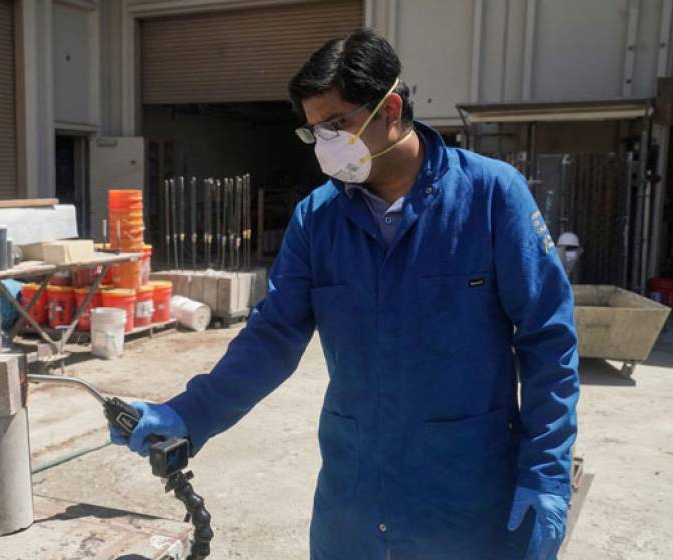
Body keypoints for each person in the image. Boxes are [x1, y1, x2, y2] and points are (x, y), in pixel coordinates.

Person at [109, 29, 579, 560]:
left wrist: (545, 473)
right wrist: (190, 413)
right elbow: (272, 337)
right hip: (353, 501)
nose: (327, 143)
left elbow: (548, 343)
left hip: (465, 497)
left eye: (338, 124)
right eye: (315, 132)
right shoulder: (318, 219)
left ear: (391, 108)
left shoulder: (491, 198)